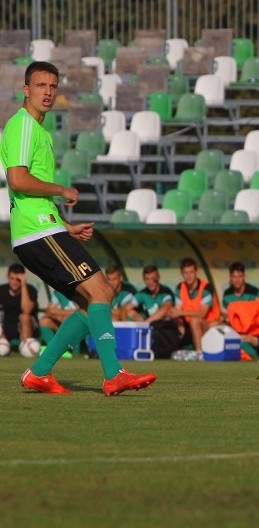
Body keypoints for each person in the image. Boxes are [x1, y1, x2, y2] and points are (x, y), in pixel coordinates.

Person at [0, 60, 156, 395]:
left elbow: (27, 192)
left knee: (91, 303)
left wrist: (64, 226)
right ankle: (114, 374)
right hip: (37, 231)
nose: (48, 92)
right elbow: (18, 179)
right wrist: (61, 190)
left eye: (53, 86)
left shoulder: (38, 130)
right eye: (41, 85)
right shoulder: (24, 125)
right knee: (101, 290)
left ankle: (40, 372)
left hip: (42, 229)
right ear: (26, 90)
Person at [167, 257, 221, 353]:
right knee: (173, 322)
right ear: (182, 274)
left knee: (194, 321)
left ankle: (199, 353)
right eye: (186, 273)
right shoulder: (180, 287)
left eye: (191, 272)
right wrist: (173, 315)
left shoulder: (206, 288)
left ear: (196, 272)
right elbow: (177, 310)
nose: (189, 276)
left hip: (209, 324)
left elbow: (202, 314)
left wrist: (180, 313)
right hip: (189, 325)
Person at [220, 261, 259, 352]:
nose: (237, 280)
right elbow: (225, 314)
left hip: (252, 330)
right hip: (235, 329)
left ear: (244, 276)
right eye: (234, 277)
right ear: (230, 278)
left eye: (240, 276)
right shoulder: (227, 294)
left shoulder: (253, 292)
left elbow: (258, 315)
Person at [0, 263, 40, 348]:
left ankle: (25, 348)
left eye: (18, 279)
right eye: (12, 278)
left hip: (28, 326)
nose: (14, 282)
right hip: (8, 325)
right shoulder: (2, 290)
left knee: (24, 316)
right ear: (8, 277)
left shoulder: (30, 289)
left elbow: (27, 310)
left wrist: (23, 285)